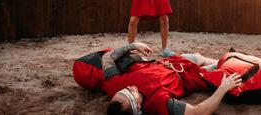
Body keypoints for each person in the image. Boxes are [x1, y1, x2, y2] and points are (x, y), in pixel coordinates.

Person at [99, 42, 242, 115]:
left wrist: (134, 45)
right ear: (137, 107)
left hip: (169, 62)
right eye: (130, 94)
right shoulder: (158, 101)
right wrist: (223, 88)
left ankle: (225, 58)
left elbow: (107, 57)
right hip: (187, 77)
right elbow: (197, 112)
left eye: (123, 91)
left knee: (199, 57)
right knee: (218, 70)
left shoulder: (115, 84)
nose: (129, 88)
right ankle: (228, 59)